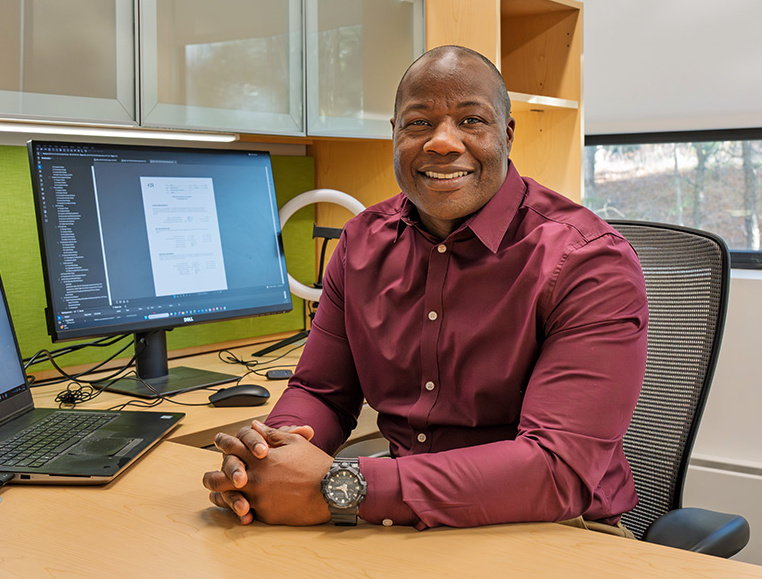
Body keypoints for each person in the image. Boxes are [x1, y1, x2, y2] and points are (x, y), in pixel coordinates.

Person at [202, 45, 649, 534]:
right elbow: (322, 392)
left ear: (507, 133)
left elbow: (555, 470)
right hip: (401, 521)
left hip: (556, 526)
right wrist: (270, 457)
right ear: (394, 134)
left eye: (471, 120)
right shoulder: (360, 244)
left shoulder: (588, 261)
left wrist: (343, 484)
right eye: (418, 123)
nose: (442, 143)